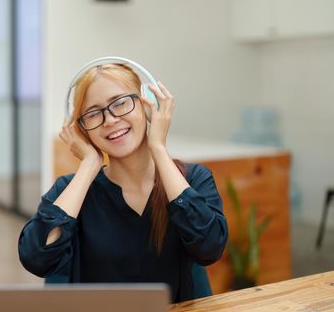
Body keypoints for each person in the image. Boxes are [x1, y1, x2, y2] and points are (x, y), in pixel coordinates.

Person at [18, 62, 228, 303]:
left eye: (120, 103)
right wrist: (88, 165)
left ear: (147, 105)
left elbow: (210, 247)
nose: (109, 119)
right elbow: (36, 258)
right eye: (94, 113)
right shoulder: (71, 191)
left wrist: (158, 147)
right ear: (82, 129)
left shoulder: (193, 179)